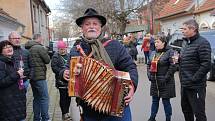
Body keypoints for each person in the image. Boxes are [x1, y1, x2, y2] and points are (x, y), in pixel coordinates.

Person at [60, 8, 138, 121]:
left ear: (100, 27)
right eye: (87, 24)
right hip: (89, 110)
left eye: (95, 23)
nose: (91, 26)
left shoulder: (115, 46)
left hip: (115, 109)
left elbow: (130, 67)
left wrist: (132, 86)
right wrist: (64, 73)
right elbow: (67, 69)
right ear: (82, 28)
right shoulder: (76, 50)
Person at [178, 19, 211, 121]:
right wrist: (178, 60)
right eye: (182, 29)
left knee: (199, 113)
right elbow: (186, 61)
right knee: (186, 111)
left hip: (196, 86)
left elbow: (206, 64)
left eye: (184, 29)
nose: (182, 31)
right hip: (184, 85)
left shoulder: (203, 43)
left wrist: (194, 79)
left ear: (193, 29)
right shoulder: (185, 43)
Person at [147, 35, 177, 121]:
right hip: (154, 81)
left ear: (163, 43)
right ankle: (152, 118)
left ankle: (168, 118)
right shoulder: (153, 53)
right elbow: (148, 64)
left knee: (166, 101)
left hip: (165, 82)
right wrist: (149, 75)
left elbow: (174, 66)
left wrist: (166, 78)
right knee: (154, 100)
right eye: (155, 42)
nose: (156, 44)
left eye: (158, 42)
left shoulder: (171, 52)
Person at [25, 34, 50, 121]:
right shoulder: (39, 48)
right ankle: (45, 118)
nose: (42, 40)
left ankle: (36, 118)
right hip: (40, 77)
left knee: (37, 97)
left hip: (32, 77)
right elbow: (47, 60)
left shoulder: (28, 47)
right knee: (44, 98)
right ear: (38, 39)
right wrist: (45, 51)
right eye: (41, 39)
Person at [0, 40, 26, 120]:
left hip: (17, 99)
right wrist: (17, 74)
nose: (9, 48)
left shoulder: (13, 60)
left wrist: (21, 77)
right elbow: (1, 82)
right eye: (5, 47)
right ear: (1, 51)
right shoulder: (1, 63)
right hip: (7, 101)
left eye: (10, 46)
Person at [51, 40, 72, 121]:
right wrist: (62, 72)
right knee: (63, 97)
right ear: (58, 49)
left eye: (64, 49)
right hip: (61, 81)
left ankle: (67, 111)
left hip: (69, 81)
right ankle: (64, 113)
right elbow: (54, 68)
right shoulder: (55, 56)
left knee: (69, 97)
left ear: (66, 48)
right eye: (61, 49)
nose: (62, 50)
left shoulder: (69, 55)